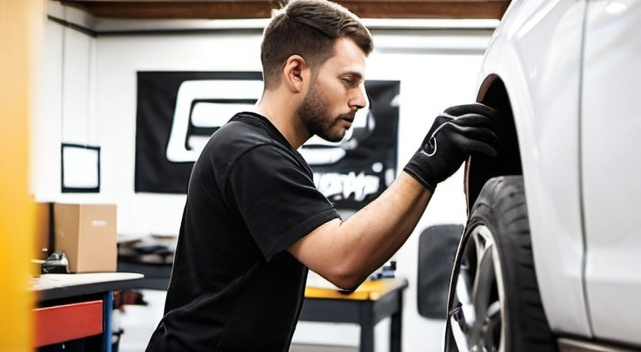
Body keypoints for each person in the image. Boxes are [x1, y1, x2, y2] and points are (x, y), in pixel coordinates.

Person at [144, 1, 499, 351]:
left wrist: (428, 172)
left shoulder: (265, 151)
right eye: (349, 81)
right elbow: (343, 262)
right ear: (296, 72)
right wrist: (426, 165)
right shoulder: (252, 154)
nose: (361, 100)